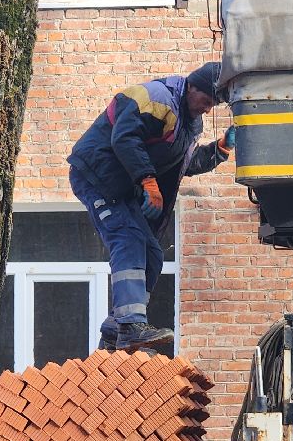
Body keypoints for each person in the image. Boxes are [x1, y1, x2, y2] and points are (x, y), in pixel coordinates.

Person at [68, 61, 234, 352]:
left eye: (213, 105)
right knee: (129, 239)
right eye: (206, 101)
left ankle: (117, 328)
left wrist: (220, 148)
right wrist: (148, 181)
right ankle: (132, 326)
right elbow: (125, 138)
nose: (208, 109)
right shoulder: (156, 98)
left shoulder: (190, 122)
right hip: (97, 175)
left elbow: (184, 163)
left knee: (153, 254)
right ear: (193, 87)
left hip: (122, 186)